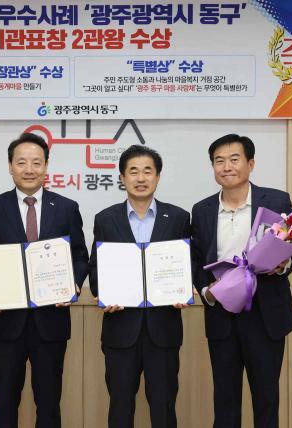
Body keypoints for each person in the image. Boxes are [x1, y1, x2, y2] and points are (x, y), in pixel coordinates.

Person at [191, 134, 292, 428]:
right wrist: (206, 290)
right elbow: (195, 259)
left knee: (266, 399)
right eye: (219, 161)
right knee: (225, 401)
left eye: (234, 159)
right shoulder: (201, 210)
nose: (226, 167)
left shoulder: (277, 200)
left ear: (250, 164)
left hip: (265, 314)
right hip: (222, 313)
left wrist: (282, 264)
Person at [0, 132, 89, 428]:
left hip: (51, 322)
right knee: (4, 402)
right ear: (10, 166)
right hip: (5, 322)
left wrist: (74, 284)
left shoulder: (66, 207)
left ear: (46, 166)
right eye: (22, 162)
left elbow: (80, 256)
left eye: (36, 162)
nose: (29, 169)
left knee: (49, 404)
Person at [89, 144, 191, 428]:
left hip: (164, 329)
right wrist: (103, 293)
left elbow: (188, 264)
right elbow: (96, 267)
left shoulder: (179, 217)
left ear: (158, 176)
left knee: (164, 407)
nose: (141, 178)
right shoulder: (105, 218)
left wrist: (184, 289)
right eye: (133, 171)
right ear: (122, 177)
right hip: (120, 330)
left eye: (148, 171)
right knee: (120, 408)